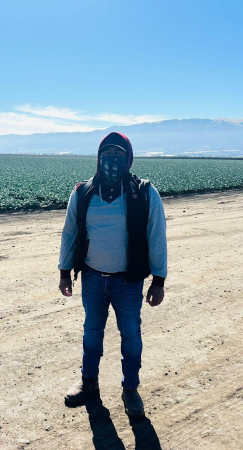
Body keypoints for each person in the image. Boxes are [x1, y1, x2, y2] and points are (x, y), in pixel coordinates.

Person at [58, 131, 167, 417]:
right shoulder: (83, 192)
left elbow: (157, 237)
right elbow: (70, 232)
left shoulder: (143, 192)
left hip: (128, 281)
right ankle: (88, 383)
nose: (112, 161)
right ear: (98, 157)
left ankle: (130, 389)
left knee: (131, 335)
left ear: (129, 159)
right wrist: (64, 271)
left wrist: (159, 280)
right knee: (91, 332)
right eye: (106, 155)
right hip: (93, 277)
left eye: (119, 156)